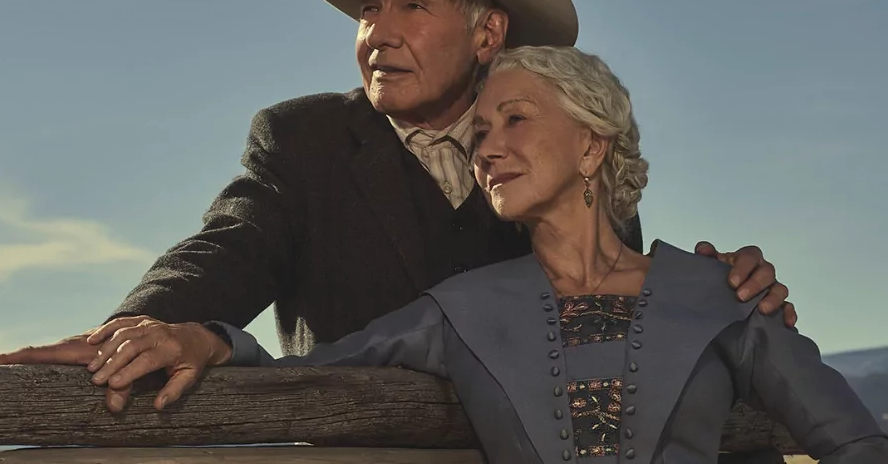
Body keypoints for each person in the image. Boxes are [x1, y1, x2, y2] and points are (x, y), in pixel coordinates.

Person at [0, 0, 793, 414]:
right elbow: (231, 244)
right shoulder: (303, 140)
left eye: (414, 3)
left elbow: (610, 295)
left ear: (488, 33)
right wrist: (144, 321)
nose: (380, 33)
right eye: (370, 9)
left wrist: (722, 300)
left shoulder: (560, 146)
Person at [87, 46, 888, 464]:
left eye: (515, 121)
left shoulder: (718, 294)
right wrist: (207, 336)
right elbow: (312, 372)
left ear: (590, 144)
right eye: (480, 134)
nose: (487, 149)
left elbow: (853, 442)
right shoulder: (458, 311)